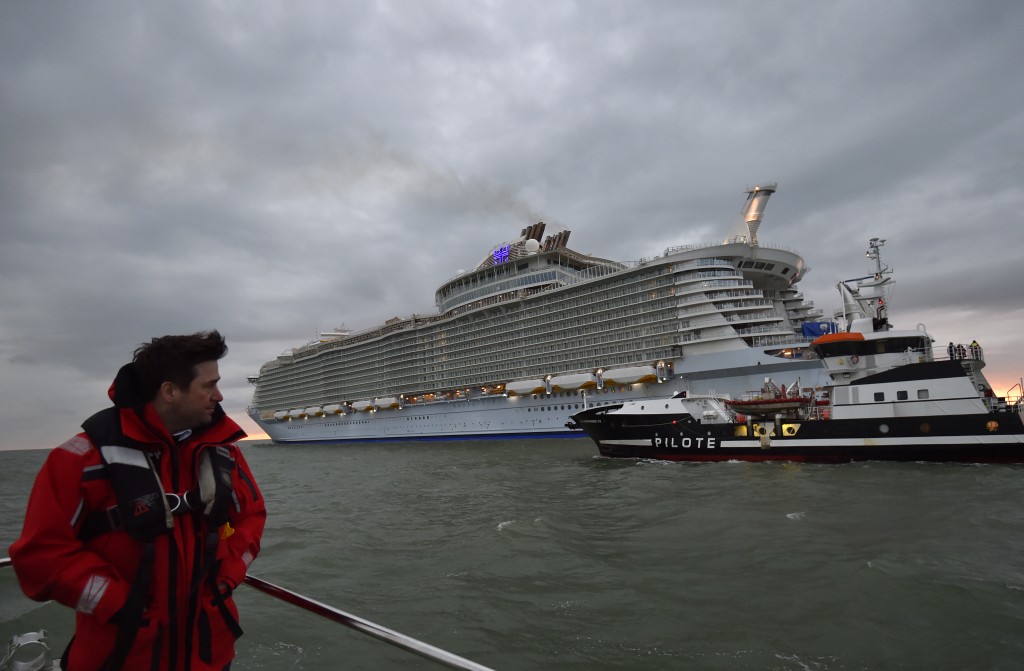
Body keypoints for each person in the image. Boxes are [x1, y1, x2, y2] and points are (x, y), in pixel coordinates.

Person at [9, 331, 266, 671]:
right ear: (170, 391)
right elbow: (38, 558)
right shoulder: (81, 459)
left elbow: (252, 517)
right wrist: (117, 603)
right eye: (208, 385)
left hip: (209, 655)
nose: (219, 396)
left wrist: (228, 574)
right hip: (120, 656)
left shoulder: (223, 453)